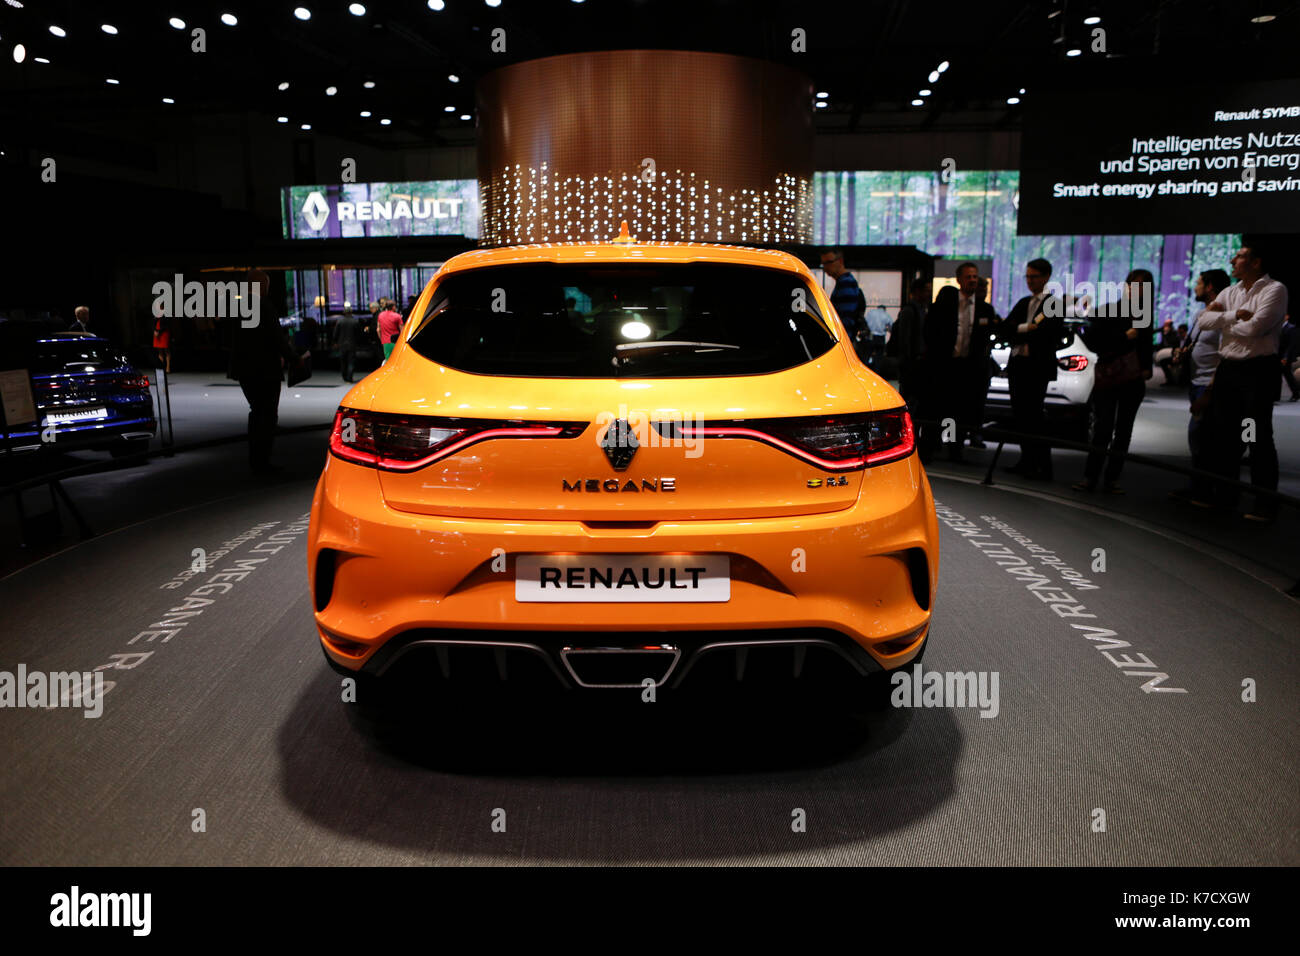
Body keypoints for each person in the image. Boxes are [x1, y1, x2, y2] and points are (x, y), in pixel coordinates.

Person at [1197, 240, 1289, 521]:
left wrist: (1223, 321)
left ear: (1256, 262)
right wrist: (1234, 315)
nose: (1232, 262)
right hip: (1229, 370)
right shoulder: (1230, 291)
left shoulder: (1275, 290)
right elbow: (1202, 321)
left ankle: (1264, 503)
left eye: (1238, 257)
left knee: (1256, 436)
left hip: (1257, 373)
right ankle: (1226, 498)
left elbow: (1256, 328)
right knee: (1225, 437)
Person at [1073, 269, 1155, 493]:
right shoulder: (1109, 310)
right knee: (1103, 427)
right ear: (1126, 286)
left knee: (1124, 431)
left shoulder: (1146, 314)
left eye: (1143, 286)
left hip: (1132, 379)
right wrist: (1123, 337)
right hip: (1110, 377)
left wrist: (1147, 368)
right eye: (1134, 285)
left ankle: (1111, 478)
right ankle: (1091, 476)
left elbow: (1146, 346)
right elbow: (1093, 342)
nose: (1137, 290)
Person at [228, 270, 303, 475]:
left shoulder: (239, 307)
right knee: (268, 415)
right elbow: (277, 338)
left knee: (256, 412)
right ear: (260, 285)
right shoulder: (263, 305)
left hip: (244, 370)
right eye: (266, 285)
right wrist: (294, 359)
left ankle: (256, 459)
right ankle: (263, 462)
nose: (268, 289)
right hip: (264, 369)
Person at [1170, 269, 1228, 504]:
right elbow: (1193, 344)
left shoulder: (1223, 315)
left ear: (1210, 286)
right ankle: (1198, 486)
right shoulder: (1200, 314)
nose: (1195, 286)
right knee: (1198, 439)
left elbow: (1225, 355)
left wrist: (1211, 390)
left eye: (1199, 282)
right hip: (1196, 383)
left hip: (1209, 384)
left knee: (1205, 438)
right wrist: (1182, 353)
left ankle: (1207, 491)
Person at [1000, 258, 1062, 479]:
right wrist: (1026, 328)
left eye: (1034, 276)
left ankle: (1043, 465)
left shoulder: (1053, 304)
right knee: (1021, 415)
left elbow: (1047, 335)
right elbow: (1005, 329)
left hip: (1037, 367)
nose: (1029, 281)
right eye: (1027, 276)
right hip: (1019, 365)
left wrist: (1022, 331)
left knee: (1035, 416)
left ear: (1045, 278)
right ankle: (1026, 460)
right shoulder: (1024, 302)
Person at [917, 284, 960, 463]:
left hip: (932, 370)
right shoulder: (954, 314)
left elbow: (928, 338)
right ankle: (951, 447)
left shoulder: (933, 312)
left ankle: (928, 446)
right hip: (951, 371)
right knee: (951, 412)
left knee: (930, 411)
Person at [820, 248, 869, 359]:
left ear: (840, 261)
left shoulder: (846, 283)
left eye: (829, 262)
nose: (825, 267)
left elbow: (845, 321)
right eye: (823, 264)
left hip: (843, 346)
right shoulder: (846, 282)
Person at [889, 278, 929, 407]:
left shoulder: (918, 309)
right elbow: (904, 338)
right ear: (918, 292)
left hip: (914, 361)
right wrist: (907, 359)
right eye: (927, 291)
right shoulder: (911, 310)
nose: (929, 294)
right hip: (911, 362)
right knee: (909, 395)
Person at [335, 306, 360, 383]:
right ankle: (349, 377)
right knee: (351, 361)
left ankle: (344, 376)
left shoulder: (339, 321)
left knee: (343, 361)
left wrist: (335, 342)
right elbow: (358, 334)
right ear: (351, 312)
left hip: (342, 344)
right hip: (352, 344)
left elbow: (336, 333)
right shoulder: (355, 321)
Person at [864, 303, 893, 368]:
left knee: (867, 354)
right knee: (879, 357)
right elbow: (890, 328)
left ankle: (866, 368)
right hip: (880, 337)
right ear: (884, 309)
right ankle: (877, 371)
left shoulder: (871, 313)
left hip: (870, 336)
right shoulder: (886, 315)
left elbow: (865, 322)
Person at [1279, 315, 1299, 401]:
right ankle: (1295, 393)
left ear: (1287, 317)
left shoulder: (1291, 328)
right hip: (1278, 355)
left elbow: (1291, 345)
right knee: (1283, 375)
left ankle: (1296, 393)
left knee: (1288, 375)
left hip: (1286, 356)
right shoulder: (1278, 327)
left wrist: (1286, 357)